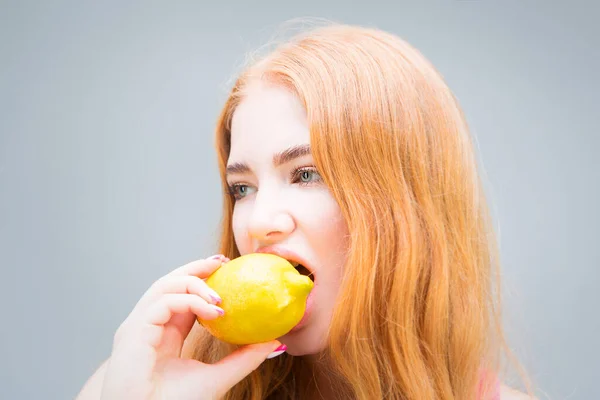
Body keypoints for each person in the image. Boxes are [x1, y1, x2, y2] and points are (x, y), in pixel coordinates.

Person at [76, 23, 535, 400]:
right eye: (242, 187)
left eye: (306, 175)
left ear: (405, 203)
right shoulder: (135, 384)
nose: (256, 223)